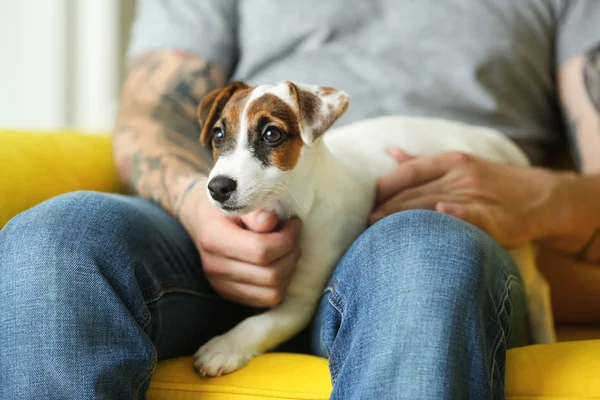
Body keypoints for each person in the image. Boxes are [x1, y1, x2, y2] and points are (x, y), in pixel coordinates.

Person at [1, 1, 600, 399]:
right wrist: (193, 204)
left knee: (423, 257)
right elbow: (152, 111)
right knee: (51, 240)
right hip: (199, 225)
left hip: (435, 222)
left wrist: (547, 195)